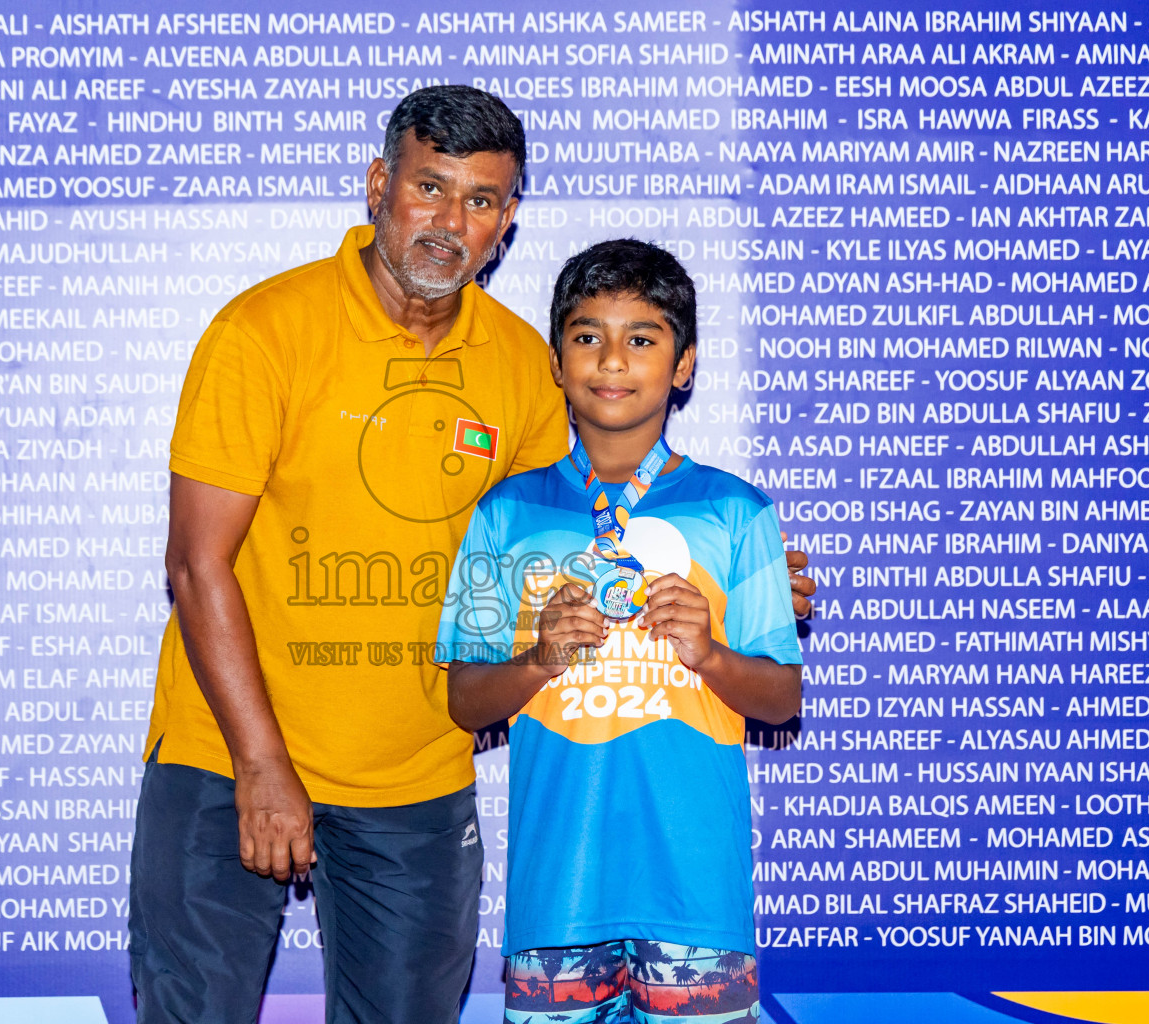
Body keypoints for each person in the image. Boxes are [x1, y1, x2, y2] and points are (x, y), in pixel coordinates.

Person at [129, 85, 814, 1023]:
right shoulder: (264, 331)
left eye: (482, 200)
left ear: (508, 220)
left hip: (417, 781)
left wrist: (750, 584)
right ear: (380, 185)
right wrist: (260, 764)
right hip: (228, 759)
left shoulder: (523, 364)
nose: (451, 222)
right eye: (430, 188)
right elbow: (196, 566)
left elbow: (584, 521)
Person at [438, 240, 803, 1023]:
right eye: (587, 336)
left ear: (684, 365)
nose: (611, 360)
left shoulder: (737, 512)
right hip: (557, 899)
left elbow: (780, 699)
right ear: (555, 360)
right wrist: (539, 657)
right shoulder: (504, 513)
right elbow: (466, 701)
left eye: (641, 339)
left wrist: (707, 653)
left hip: (695, 900)